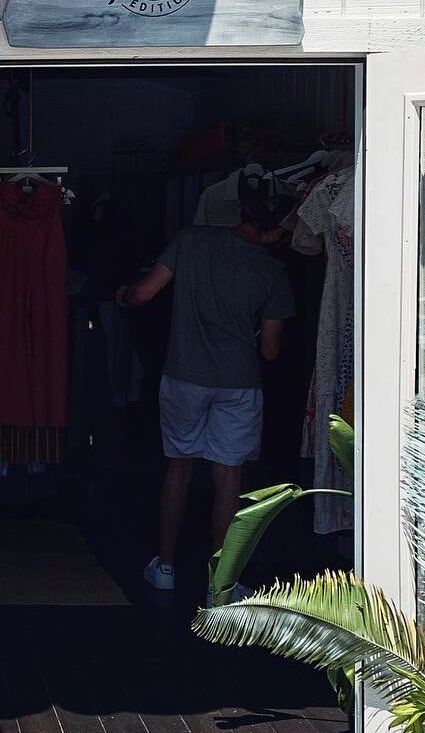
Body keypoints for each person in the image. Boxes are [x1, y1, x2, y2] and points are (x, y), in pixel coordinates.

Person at [116, 196, 294, 592]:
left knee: (178, 467)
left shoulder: (191, 240)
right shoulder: (273, 273)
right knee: (228, 477)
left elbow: (144, 294)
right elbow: (269, 350)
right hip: (239, 384)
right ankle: (222, 584)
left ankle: (164, 567)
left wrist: (122, 295)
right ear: (277, 231)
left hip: (184, 376)